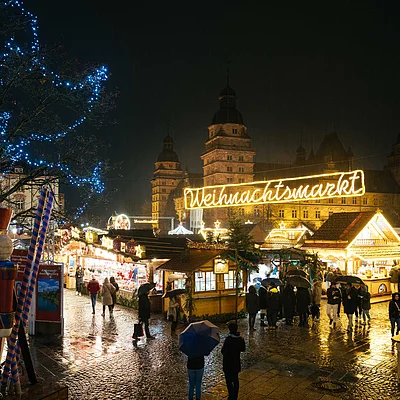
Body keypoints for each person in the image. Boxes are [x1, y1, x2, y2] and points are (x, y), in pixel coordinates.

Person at [221, 322, 246, 400]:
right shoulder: (240, 339)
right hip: (236, 363)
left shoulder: (228, 340)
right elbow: (243, 349)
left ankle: (231, 395)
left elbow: (223, 351)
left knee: (228, 381)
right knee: (235, 380)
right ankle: (235, 395)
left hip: (228, 363)